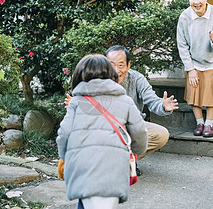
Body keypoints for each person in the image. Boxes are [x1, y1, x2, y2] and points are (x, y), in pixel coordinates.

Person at [65, 45, 179, 173]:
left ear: (128, 65)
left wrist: (163, 106)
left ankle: (126, 160)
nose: (116, 70)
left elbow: (152, 101)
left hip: (131, 126)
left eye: (121, 65)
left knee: (161, 134)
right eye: (111, 65)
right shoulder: (95, 80)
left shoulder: (136, 78)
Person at [57, 54, 147, 209]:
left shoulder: (77, 102)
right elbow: (140, 132)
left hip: (82, 168)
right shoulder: (125, 101)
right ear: (111, 74)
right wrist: (133, 154)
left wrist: (68, 157)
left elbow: (63, 135)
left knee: (84, 202)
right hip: (114, 167)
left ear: (79, 76)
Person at [176, 0, 213, 137]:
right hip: (195, 61)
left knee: (211, 93)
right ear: (188, 0)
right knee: (194, 93)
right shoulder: (185, 17)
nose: (196, 2)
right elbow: (182, 44)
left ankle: (209, 124)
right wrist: (190, 68)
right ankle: (199, 122)